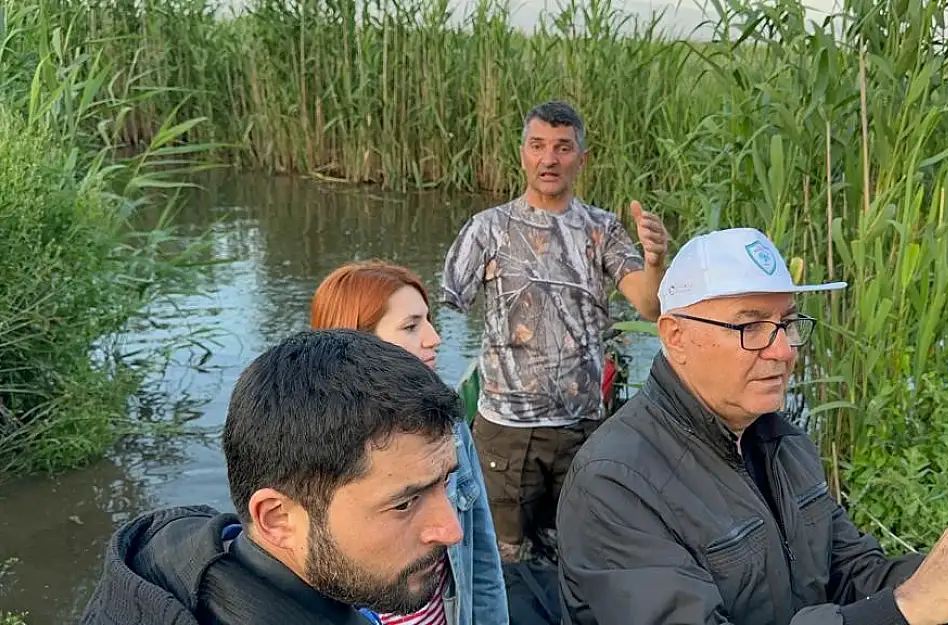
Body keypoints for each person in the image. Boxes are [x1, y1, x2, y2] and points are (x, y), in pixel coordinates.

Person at [555, 227, 948, 625]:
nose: (784, 350)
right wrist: (910, 606)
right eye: (750, 326)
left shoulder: (779, 440)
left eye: (787, 323)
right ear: (673, 335)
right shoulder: (615, 481)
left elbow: (852, 575)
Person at [80, 329, 468, 624]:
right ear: (276, 518)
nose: (451, 531)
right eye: (404, 503)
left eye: (445, 482)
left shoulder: (187, 556)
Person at [440, 100, 669, 563]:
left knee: (580, 556)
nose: (550, 159)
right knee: (503, 563)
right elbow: (443, 310)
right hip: (506, 433)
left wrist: (656, 260)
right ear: (522, 153)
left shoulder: (601, 228)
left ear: (581, 160)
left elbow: (649, 305)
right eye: (538, 146)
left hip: (581, 429)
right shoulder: (487, 228)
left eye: (563, 148)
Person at [310, 260, 508, 625]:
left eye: (428, 321)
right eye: (412, 326)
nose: (434, 338)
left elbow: (480, 553)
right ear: (358, 342)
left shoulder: (444, 424)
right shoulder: (309, 447)